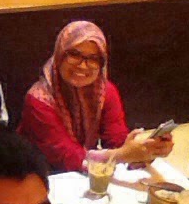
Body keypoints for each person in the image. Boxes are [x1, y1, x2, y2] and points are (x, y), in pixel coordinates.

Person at [18, 21, 173, 172]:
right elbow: (65, 155)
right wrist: (120, 155)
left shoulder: (106, 91)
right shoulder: (39, 99)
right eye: (74, 54)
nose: (82, 65)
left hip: (82, 169)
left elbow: (116, 140)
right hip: (34, 173)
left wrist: (148, 149)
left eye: (93, 58)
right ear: (59, 55)